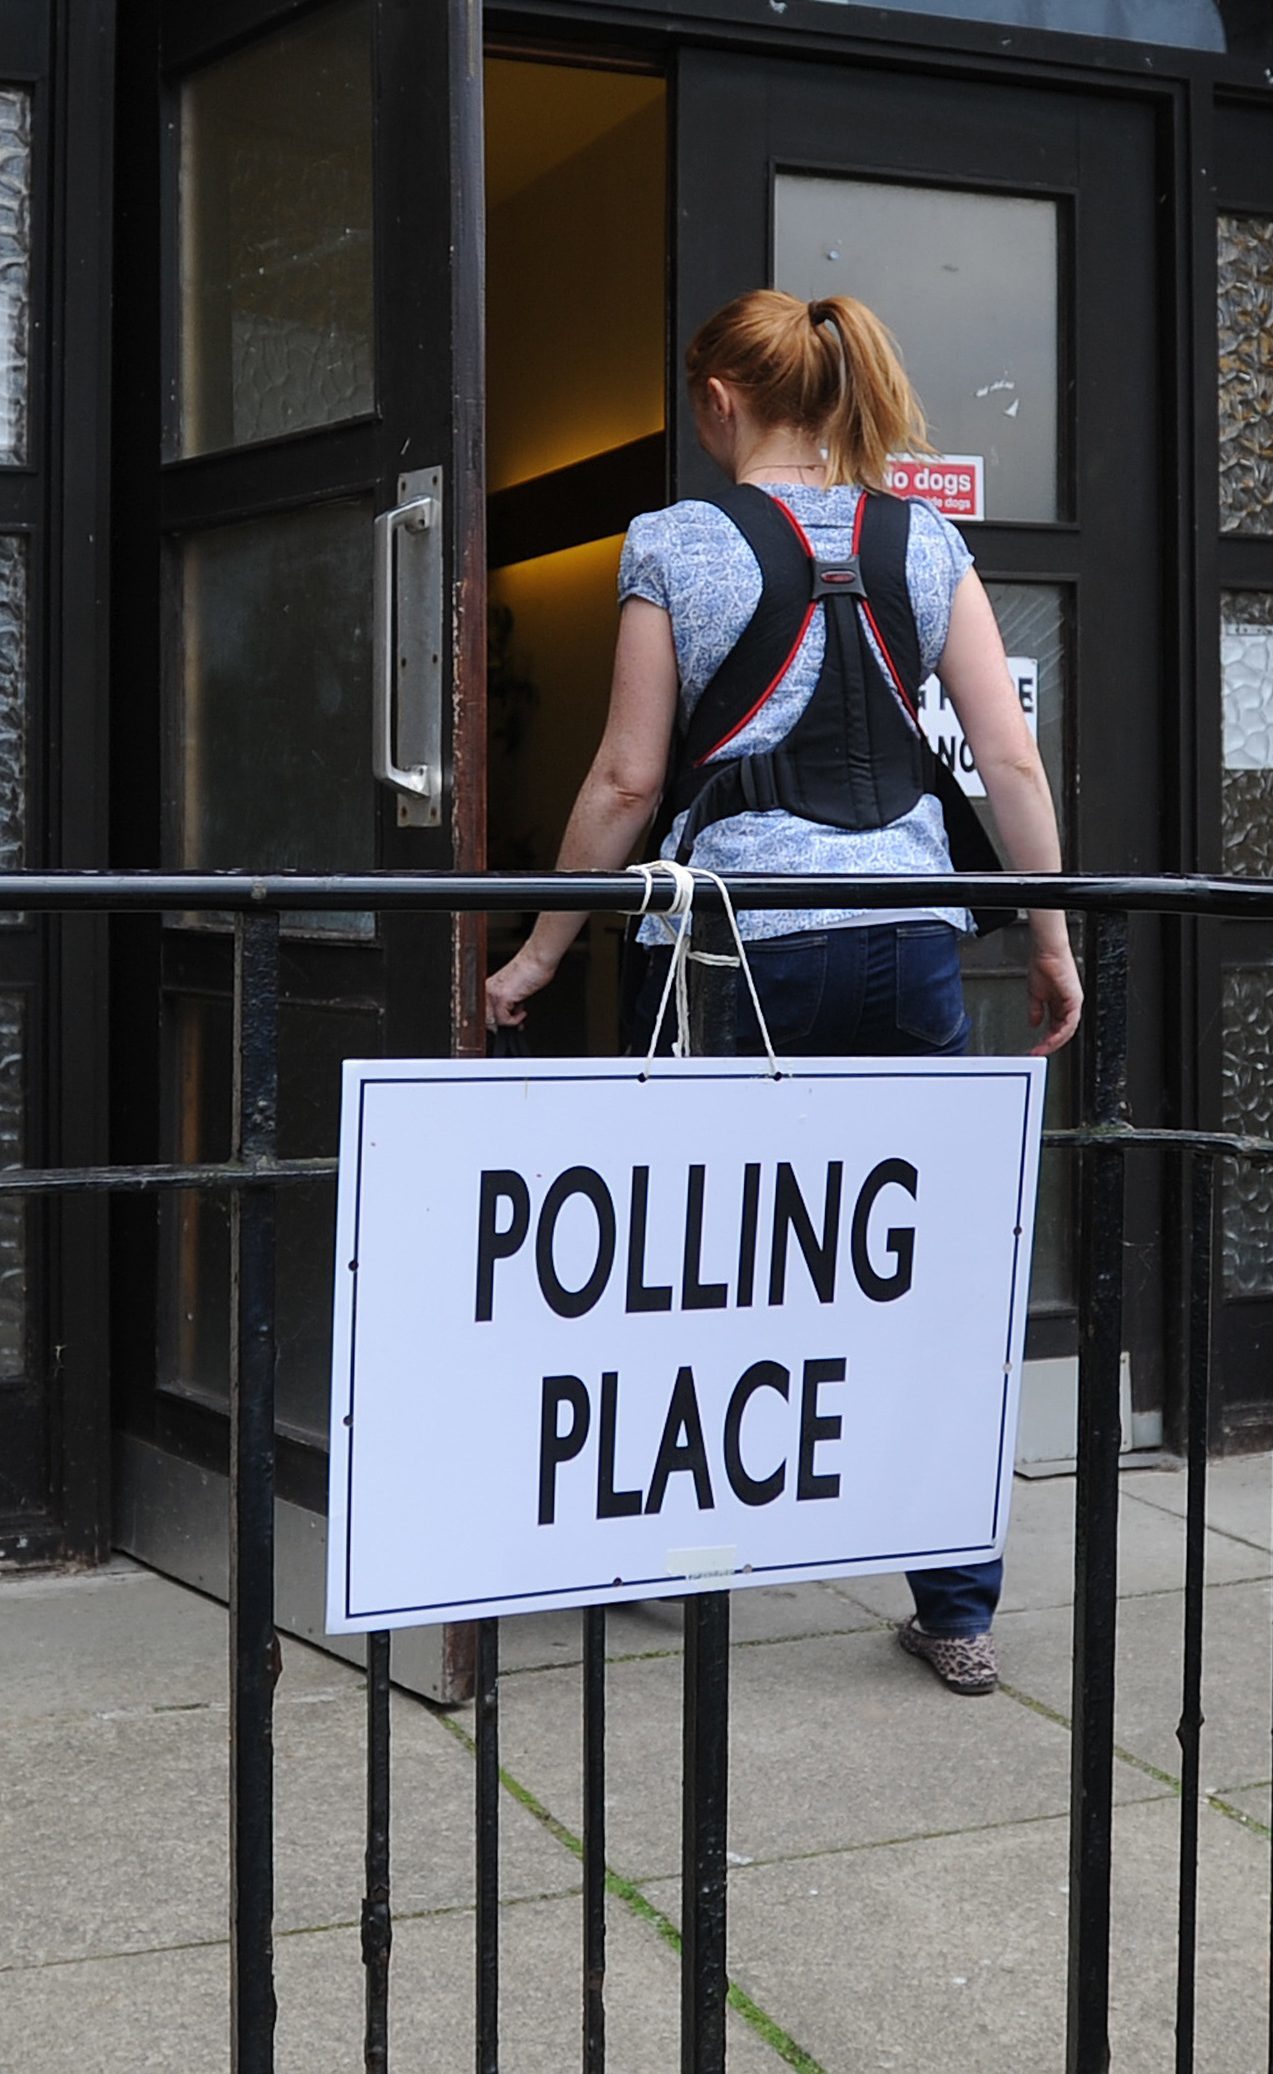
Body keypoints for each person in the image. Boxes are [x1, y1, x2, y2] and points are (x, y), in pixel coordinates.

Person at [481, 288, 1082, 1697]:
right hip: (912, 943)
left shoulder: (675, 545)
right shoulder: (924, 541)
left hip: (744, 954)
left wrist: (538, 952)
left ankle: (686, 1561)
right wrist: (1049, 935)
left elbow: (629, 780)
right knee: (930, 1272)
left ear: (720, 401)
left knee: (709, 1264)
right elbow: (1012, 765)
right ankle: (959, 1606)